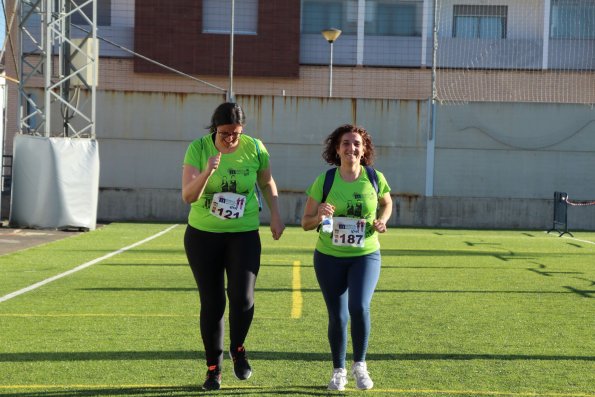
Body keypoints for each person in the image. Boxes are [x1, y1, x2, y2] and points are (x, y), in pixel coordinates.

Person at [182, 102, 285, 391]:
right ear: (215, 128)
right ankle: (213, 369)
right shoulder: (199, 149)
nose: (231, 139)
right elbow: (187, 196)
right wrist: (206, 172)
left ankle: (238, 348)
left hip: (244, 233)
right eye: (225, 133)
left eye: (236, 134)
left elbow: (267, 182)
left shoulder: (254, 147)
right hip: (203, 235)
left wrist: (275, 215)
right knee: (213, 303)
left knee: (243, 298)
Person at [301, 124, 392, 391]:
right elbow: (305, 223)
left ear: (364, 151)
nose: (351, 148)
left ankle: (360, 366)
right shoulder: (325, 181)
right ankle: (338, 370)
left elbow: (387, 202)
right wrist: (320, 215)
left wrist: (382, 221)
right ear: (337, 149)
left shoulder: (374, 178)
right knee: (338, 316)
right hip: (329, 257)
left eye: (356, 144)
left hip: (365, 255)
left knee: (359, 307)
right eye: (345, 143)